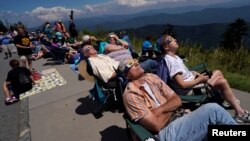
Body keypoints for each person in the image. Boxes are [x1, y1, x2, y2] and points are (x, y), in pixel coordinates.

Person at [122, 58, 237, 141]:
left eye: (136, 60)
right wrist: (172, 107)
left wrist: (160, 110)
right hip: (164, 133)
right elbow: (156, 125)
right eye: (132, 64)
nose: (137, 62)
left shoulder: (152, 77)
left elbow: (177, 100)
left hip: (179, 118)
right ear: (127, 75)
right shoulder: (131, 94)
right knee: (213, 110)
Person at [158, 34, 250, 123]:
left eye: (173, 38)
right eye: (171, 39)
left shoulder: (176, 57)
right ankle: (240, 113)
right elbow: (182, 84)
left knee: (218, 72)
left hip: (193, 83)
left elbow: (183, 74)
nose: (175, 39)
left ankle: (225, 98)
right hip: (189, 90)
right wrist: (200, 79)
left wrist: (193, 73)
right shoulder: (171, 61)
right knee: (222, 82)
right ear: (166, 47)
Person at [82, 45, 158, 83]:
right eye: (89, 48)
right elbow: (108, 76)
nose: (92, 47)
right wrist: (128, 66)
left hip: (122, 66)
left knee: (142, 61)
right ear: (85, 54)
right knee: (150, 62)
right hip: (122, 72)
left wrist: (130, 62)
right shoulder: (94, 62)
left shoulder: (100, 56)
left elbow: (115, 63)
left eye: (92, 46)